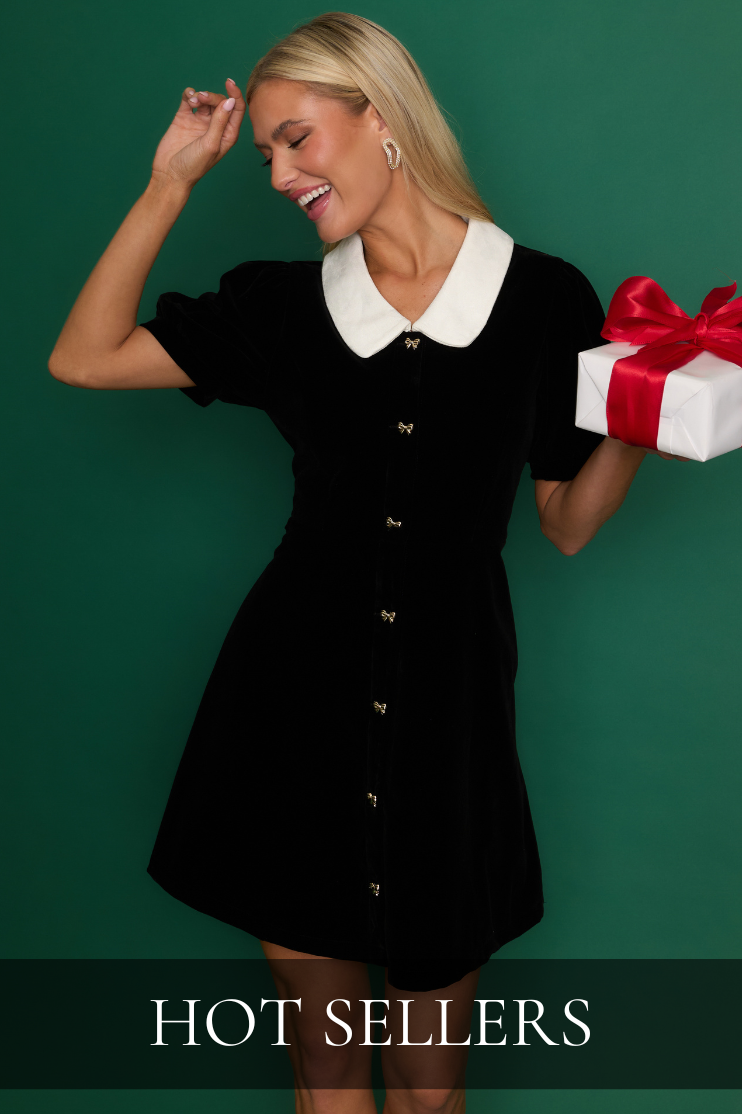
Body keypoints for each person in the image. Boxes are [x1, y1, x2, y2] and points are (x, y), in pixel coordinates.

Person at [47, 12, 688, 1113]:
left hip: (451, 723)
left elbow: (566, 522)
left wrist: (638, 414)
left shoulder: (542, 299)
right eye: (264, 155)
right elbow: (84, 357)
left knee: (430, 1085)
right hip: (289, 708)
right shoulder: (278, 306)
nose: (280, 171)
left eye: (298, 138)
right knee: (327, 1067)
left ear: (379, 118)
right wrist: (171, 182)